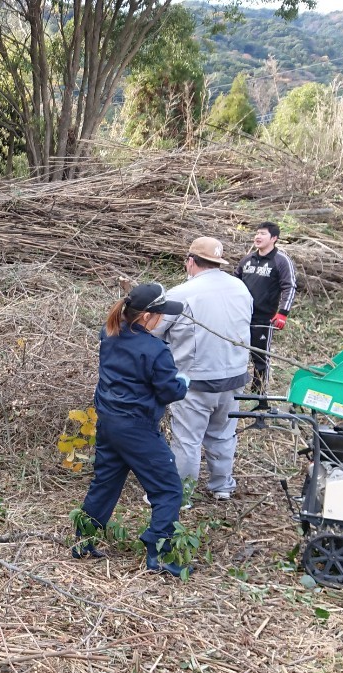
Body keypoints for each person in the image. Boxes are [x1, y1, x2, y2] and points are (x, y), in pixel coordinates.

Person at [73, 283, 192, 576]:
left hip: (109, 421)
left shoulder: (110, 334)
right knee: (168, 489)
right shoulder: (154, 350)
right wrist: (182, 384)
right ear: (147, 316)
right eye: (161, 315)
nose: (163, 319)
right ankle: (161, 554)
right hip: (137, 427)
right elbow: (167, 392)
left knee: (106, 482)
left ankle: (83, 540)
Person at [153, 237, 253, 501]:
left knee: (187, 439)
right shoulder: (241, 288)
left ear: (190, 261)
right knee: (223, 433)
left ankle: (181, 495)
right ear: (218, 262)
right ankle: (222, 487)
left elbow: (154, 331)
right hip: (234, 375)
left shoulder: (181, 293)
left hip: (195, 379)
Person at [234, 222, 297, 407]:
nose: (258, 237)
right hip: (241, 317)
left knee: (260, 357)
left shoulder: (281, 260)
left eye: (263, 234)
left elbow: (290, 285)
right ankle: (237, 392)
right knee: (236, 353)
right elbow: (233, 283)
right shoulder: (247, 260)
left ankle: (260, 397)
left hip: (264, 318)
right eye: (257, 233)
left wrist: (283, 313)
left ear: (274, 238)